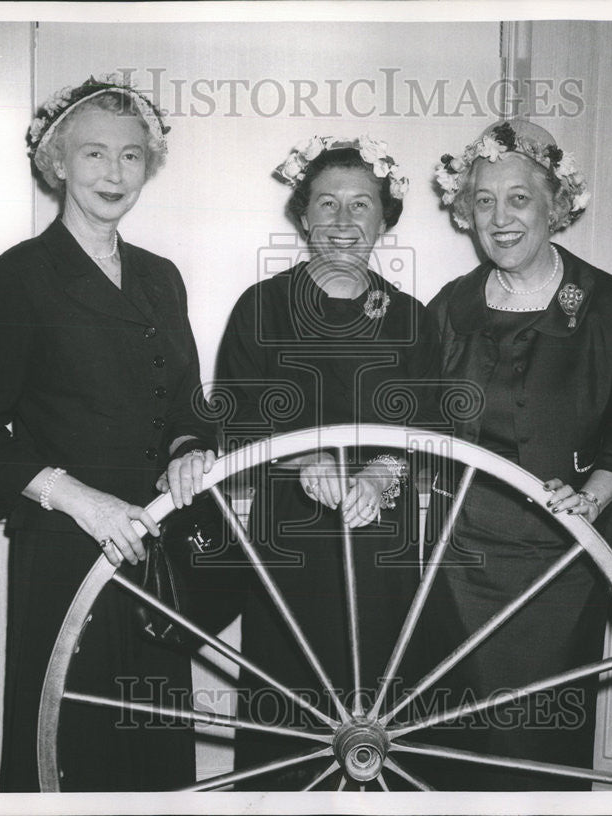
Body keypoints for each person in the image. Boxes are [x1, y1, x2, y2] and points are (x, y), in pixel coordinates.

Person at [0, 76, 217, 792]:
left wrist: (191, 451)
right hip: (66, 549)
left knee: (152, 748)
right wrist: (81, 500)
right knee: (68, 749)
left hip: (155, 550)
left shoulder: (162, 277)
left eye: (131, 156)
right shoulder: (15, 280)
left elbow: (187, 404)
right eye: (94, 154)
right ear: (57, 162)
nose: (114, 173)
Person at [426, 119, 612, 790]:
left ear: (555, 205)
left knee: (541, 737)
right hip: (459, 558)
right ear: (465, 211)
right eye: (482, 200)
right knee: (457, 738)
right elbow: (410, 411)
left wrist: (593, 496)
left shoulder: (602, 305)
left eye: (518, 198)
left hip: (561, 561)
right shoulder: (452, 307)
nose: (499, 218)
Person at [214, 136, 445, 789]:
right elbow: (232, 418)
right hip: (290, 547)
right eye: (328, 204)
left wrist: (381, 471)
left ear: (384, 219)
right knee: (287, 708)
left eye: (362, 205)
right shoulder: (259, 308)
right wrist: (299, 460)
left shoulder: (411, 319)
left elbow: (429, 423)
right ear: (304, 216)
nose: (344, 222)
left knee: (380, 712)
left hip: (383, 543)